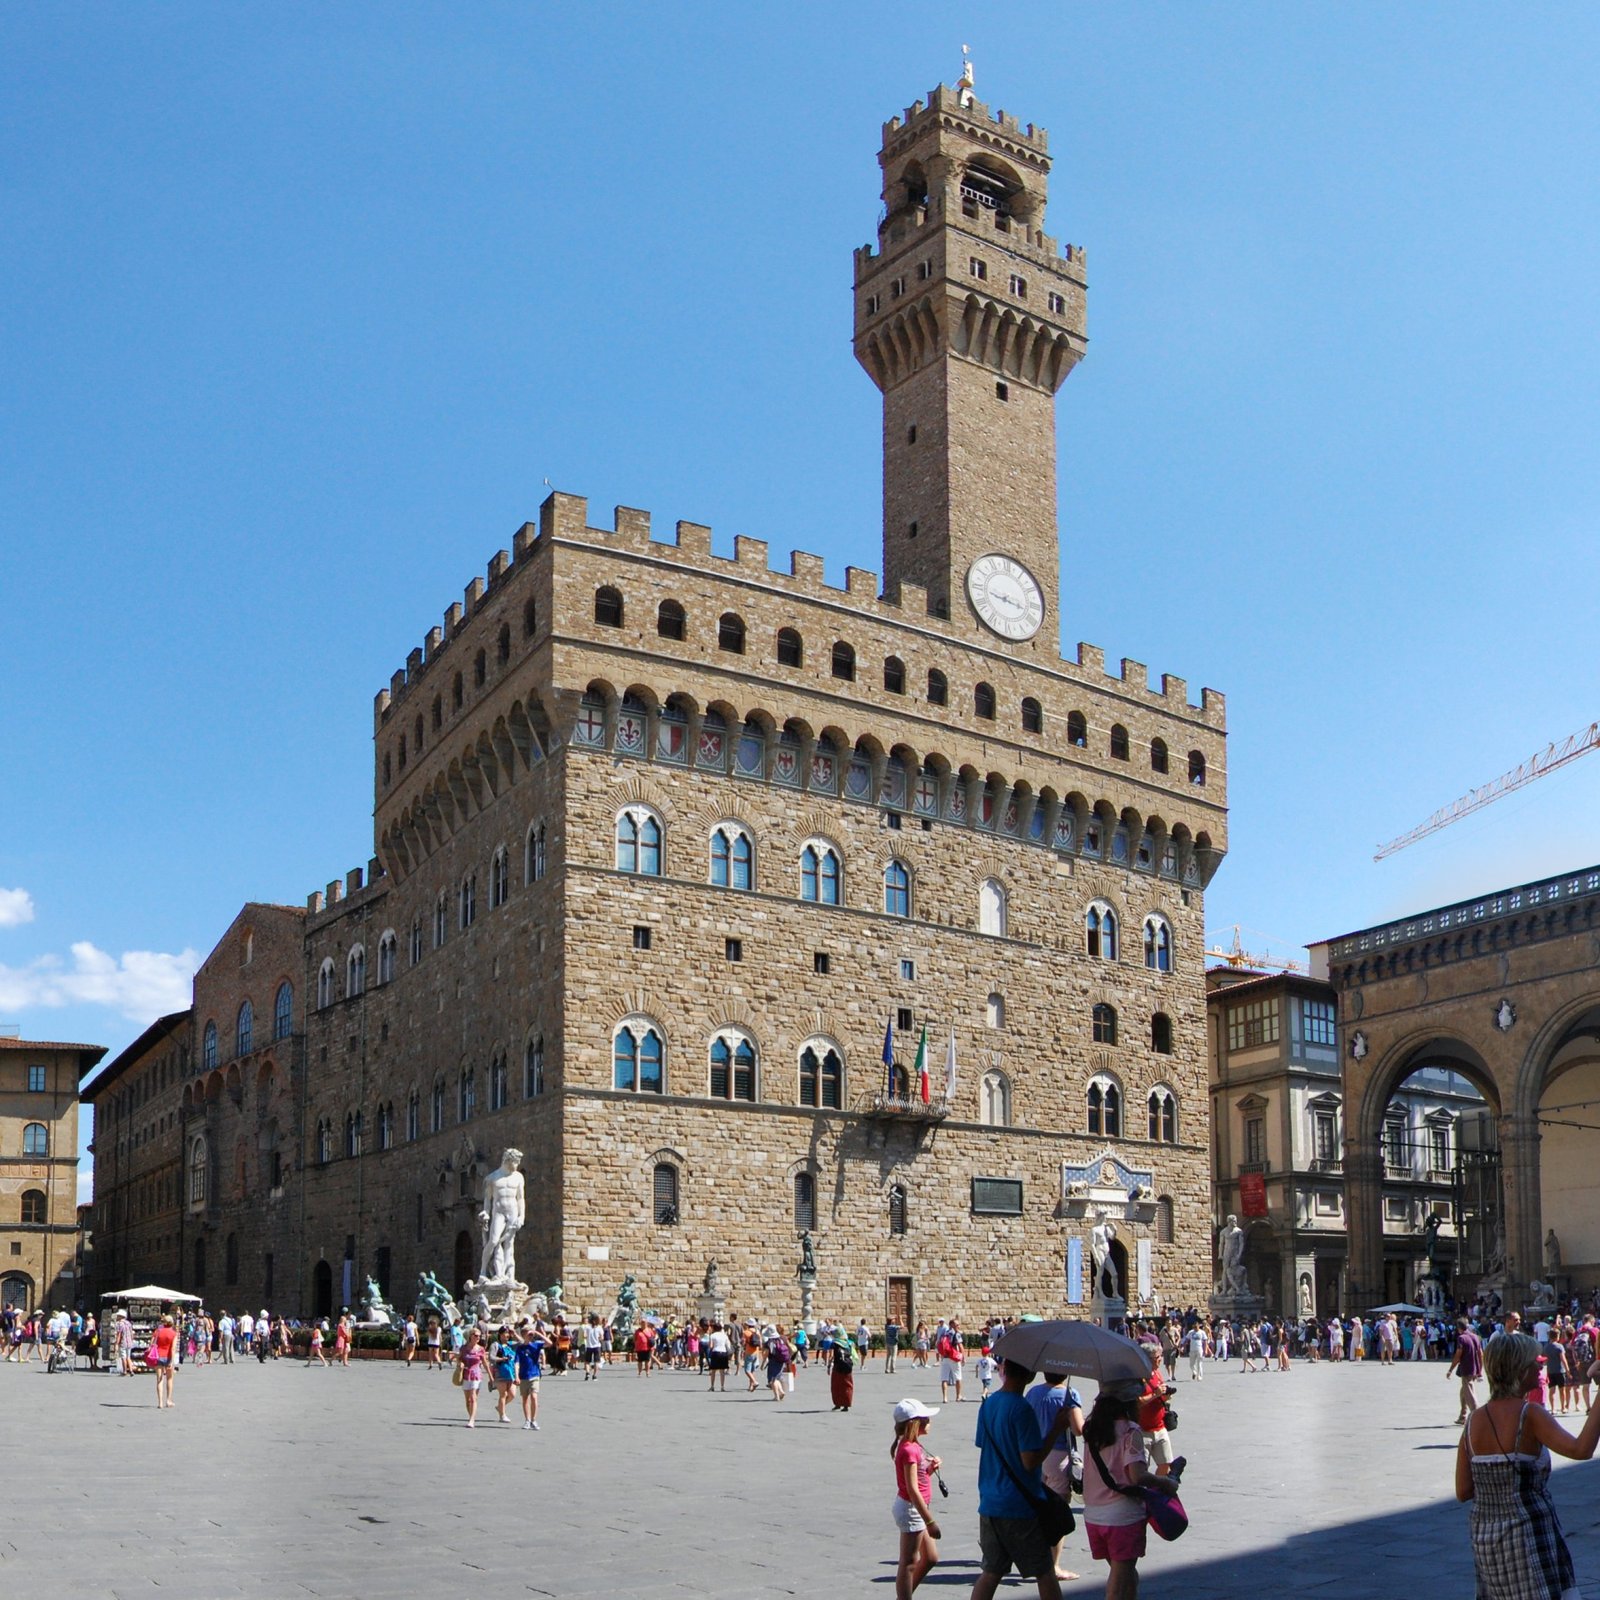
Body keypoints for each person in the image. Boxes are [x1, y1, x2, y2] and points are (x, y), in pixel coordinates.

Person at [1456, 1330, 1600, 1598]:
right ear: (1520, 1370)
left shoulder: (1473, 1421)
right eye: (1536, 1361)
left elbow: (1463, 1490)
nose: (1541, 1365)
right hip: (1529, 1537)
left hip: (1487, 1542)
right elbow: (1581, 1449)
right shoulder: (1529, 1414)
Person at [968, 1357, 1071, 1600]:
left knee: (991, 1571)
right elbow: (1030, 1461)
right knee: (1044, 1571)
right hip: (1018, 1505)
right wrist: (1056, 1428)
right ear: (1030, 1375)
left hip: (990, 1499)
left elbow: (983, 1443)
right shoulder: (1022, 1409)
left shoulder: (989, 1403)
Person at [1081, 1380, 1182, 1600]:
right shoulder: (1130, 1430)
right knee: (1118, 1583)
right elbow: (1137, 1476)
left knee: (1126, 1576)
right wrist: (1166, 1483)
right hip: (1122, 1516)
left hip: (1094, 1515)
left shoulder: (1091, 1426)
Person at [1027, 1371, 1085, 1583]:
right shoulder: (1069, 1395)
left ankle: (1035, 1557)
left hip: (1034, 1453)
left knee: (1038, 1509)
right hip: (1059, 1454)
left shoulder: (1033, 1393)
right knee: (1058, 1513)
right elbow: (1079, 1429)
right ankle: (1053, 1565)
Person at [892, 1398, 943, 1599]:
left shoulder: (912, 1446)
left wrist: (930, 1468)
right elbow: (912, 1489)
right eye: (926, 1419)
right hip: (912, 1509)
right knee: (909, 1562)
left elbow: (917, 1480)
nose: (929, 1421)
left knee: (930, 1558)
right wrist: (930, 1521)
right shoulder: (909, 1449)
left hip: (916, 1507)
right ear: (915, 1423)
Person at [1449, 1316, 1485, 1423]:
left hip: (1466, 1368)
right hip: (1474, 1368)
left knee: (1469, 1391)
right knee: (1463, 1391)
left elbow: (1458, 1355)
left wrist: (1451, 1369)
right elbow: (1481, 1354)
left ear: (1459, 1327)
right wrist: (1480, 1370)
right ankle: (1462, 1416)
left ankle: (1477, 1414)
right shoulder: (1475, 1337)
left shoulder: (1461, 1338)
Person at [513, 1320, 545, 1429]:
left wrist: (538, 1333)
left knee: (534, 1397)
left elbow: (549, 1343)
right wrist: (516, 1376)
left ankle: (534, 1420)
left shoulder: (536, 1345)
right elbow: (516, 1363)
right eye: (528, 1333)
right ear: (523, 1335)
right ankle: (527, 1420)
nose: (530, 1335)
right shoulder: (520, 1348)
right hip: (523, 1376)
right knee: (525, 1399)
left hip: (534, 1375)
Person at [453, 1327, 486, 1427]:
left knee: (473, 1398)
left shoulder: (481, 1349)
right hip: (466, 1374)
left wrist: (491, 1376)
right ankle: (471, 1416)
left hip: (476, 1374)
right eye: (476, 1335)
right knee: (468, 1400)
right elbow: (459, 1359)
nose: (478, 1338)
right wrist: (460, 1363)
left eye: (479, 1336)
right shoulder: (463, 1348)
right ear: (470, 1336)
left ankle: (472, 1420)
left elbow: (485, 1362)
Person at [149, 1313, 179, 1409]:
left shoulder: (158, 1331)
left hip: (158, 1356)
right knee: (169, 1379)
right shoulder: (174, 1333)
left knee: (159, 1379)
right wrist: (171, 1361)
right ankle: (168, 1400)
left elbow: (151, 1343)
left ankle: (160, 1402)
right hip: (168, 1357)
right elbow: (173, 1348)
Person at [939, 1320, 966, 1404]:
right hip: (954, 1357)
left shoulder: (944, 1334)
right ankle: (958, 1396)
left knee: (944, 1378)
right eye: (957, 1325)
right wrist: (963, 1357)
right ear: (952, 1325)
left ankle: (945, 1397)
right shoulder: (956, 1334)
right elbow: (961, 1347)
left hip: (945, 1358)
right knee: (958, 1377)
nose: (958, 1326)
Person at [832, 1327, 857, 1412]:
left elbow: (834, 1355)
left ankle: (837, 1404)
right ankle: (846, 1404)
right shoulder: (849, 1343)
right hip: (848, 1366)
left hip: (837, 1367)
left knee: (836, 1386)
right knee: (847, 1385)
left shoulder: (836, 1343)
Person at [705, 1320, 732, 1391]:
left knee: (713, 1371)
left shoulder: (712, 1335)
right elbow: (727, 1345)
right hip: (723, 1352)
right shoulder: (724, 1335)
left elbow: (710, 1346)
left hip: (715, 1352)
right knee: (722, 1371)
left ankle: (712, 1386)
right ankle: (722, 1386)